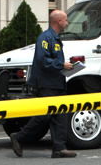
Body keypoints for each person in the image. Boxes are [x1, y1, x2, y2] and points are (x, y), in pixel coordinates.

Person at [10, 10, 77, 159]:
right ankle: (19, 137)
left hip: (57, 84)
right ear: (58, 21)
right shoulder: (45, 38)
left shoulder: (55, 38)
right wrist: (62, 65)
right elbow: (43, 60)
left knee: (60, 116)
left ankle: (59, 148)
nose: (67, 23)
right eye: (66, 20)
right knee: (44, 116)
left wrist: (66, 67)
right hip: (46, 85)